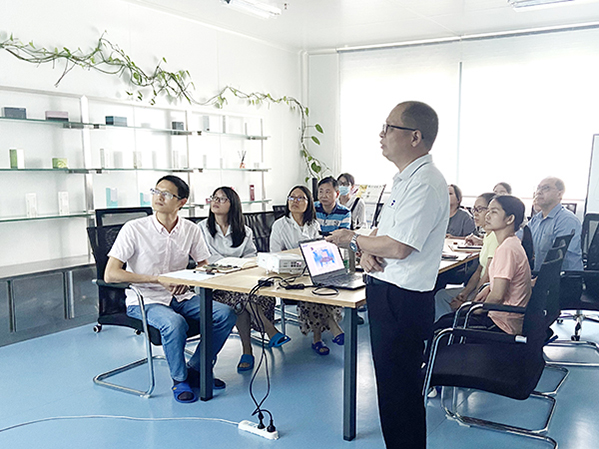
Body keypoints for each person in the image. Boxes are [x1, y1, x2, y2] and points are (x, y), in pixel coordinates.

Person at [327, 101, 449, 449]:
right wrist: (366, 251)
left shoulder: (425, 182)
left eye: (388, 127)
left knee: (400, 394)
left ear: (414, 136)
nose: (381, 134)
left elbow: (399, 248)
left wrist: (351, 239)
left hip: (402, 301)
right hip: (387, 293)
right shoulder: (406, 179)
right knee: (393, 392)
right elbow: (387, 237)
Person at [104, 175, 237, 404]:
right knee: (175, 323)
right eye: (156, 191)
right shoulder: (134, 229)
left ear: (182, 202)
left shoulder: (191, 230)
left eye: (167, 194)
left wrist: (192, 278)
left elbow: (204, 265)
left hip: (182, 296)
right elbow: (111, 273)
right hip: (145, 299)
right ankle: (180, 379)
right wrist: (157, 280)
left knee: (225, 314)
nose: (158, 197)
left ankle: (197, 368)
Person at [199, 187, 290, 372]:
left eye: (222, 199)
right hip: (214, 285)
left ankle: (247, 351)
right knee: (242, 297)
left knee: (243, 300)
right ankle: (269, 330)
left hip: (240, 281)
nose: (215, 202)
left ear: (233, 204)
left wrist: (239, 266)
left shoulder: (244, 230)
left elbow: (251, 256)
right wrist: (229, 265)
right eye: (213, 198)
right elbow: (206, 259)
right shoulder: (201, 228)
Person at [434, 195, 533, 336]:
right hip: (504, 317)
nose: (487, 215)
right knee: (444, 322)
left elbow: (498, 296)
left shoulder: (507, 249)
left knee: (441, 328)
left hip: (502, 323)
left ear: (510, 219)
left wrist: (472, 309)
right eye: (488, 210)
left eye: (494, 211)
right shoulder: (509, 243)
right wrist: (485, 292)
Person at [270, 185, 344, 356]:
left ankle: (321, 335)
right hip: (289, 276)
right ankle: (323, 334)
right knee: (311, 292)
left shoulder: (313, 224)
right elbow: (275, 255)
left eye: (300, 198)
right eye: (291, 197)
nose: (295, 201)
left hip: (312, 272)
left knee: (323, 288)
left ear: (309, 203)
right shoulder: (280, 225)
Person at [434, 192, 498, 320]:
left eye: (480, 209)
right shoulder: (487, 236)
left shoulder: (496, 238)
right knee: (441, 295)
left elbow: (486, 277)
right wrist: (465, 293)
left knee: (440, 297)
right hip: (478, 289)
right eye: (474, 209)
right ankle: (443, 329)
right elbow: (479, 270)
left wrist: (470, 302)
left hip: (487, 294)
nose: (475, 213)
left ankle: (448, 330)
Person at [528, 177, 583, 272]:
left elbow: (557, 257)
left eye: (546, 188)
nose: (539, 192)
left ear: (559, 194)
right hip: (542, 276)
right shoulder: (536, 220)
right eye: (538, 188)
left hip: (564, 279)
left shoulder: (566, 220)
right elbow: (518, 239)